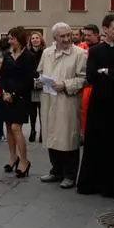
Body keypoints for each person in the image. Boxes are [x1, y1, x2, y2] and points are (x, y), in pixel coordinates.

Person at [77, 14, 114, 198]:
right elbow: (91, 77)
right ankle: (92, 183)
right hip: (99, 104)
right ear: (105, 29)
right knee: (96, 144)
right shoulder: (95, 51)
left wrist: (107, 72)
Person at [37, 23, 87, 189]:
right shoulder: (47, 52)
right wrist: (39, 81)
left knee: (67, 137)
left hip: (68, 101)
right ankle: (56, 170)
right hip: (49, 98)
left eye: (69, 35)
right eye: (62, 36)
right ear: (55, 38)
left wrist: (66, 85)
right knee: (52, 135)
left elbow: (84, 78)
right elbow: (41, 72)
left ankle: (70, 174)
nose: (67, 39)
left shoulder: (79, 54)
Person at [0, 26, 38, 178]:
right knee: (8, 126)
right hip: (6, 96)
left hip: (21, 97)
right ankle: (12, 157)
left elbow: (29, 79)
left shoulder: (29, 57)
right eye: (9, 38)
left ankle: (24, 161)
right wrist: (3, 92)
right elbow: (2, 77)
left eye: (12, 38)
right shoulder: (7, 56)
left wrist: (14, 95)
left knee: (16, 127)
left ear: (19, 39)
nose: (9, 41)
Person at [27, 31, 47, 143]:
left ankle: (42, 132)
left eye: (37, 38)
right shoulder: (27, 52)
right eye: (33, 38)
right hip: (31, 85)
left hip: (43, 84)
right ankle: (33, 130)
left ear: (41, 40)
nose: (35, 40)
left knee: (42, 110)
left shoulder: (46, 52)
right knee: (32, 110)